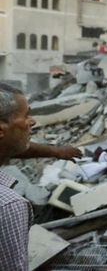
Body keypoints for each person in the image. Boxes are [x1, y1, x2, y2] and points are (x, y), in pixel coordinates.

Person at [0, 83, 82, 270]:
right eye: (26, 115)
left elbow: (10, 144)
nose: (33, 121)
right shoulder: (8, 206)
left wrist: (55, 151)